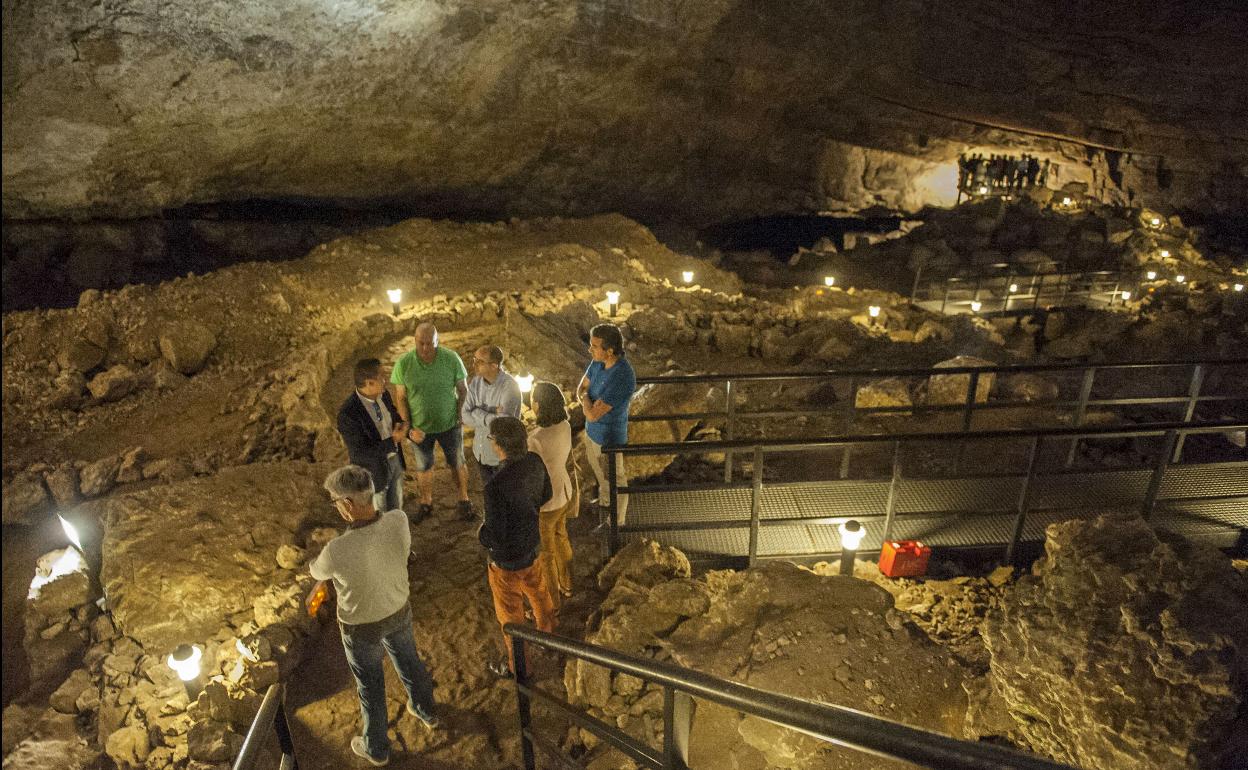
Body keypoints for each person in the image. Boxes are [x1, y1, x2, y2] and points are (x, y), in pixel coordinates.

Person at [307, 465, 439, 767]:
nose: (337, 507)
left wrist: (327, 549)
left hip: (360, 624)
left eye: (336, 501)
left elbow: (317, 571)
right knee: (408, 658)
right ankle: (426, 709)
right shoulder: (399, 520)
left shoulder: (337, 549)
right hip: (397, 608)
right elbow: (391, 550)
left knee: (370, 684)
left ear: (348, 504)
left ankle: (377, 747)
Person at [478, 416, 554, 678]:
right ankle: (548, 638)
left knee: (511, 616)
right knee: (539, 594)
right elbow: (547, 495)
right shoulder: (534, 462)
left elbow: (496, 535)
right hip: (532, 546)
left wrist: (482, 535)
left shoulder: (494, 486)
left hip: (507, 561)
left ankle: (519, 668)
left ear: (498, 445)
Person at [391, 322, 471, 521]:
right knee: (423, 466)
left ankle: (464, 498)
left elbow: (463, 390)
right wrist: (407, 424)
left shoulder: (451, 359)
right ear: (415, 341)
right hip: (420, 428)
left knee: (457, 462)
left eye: (430, 343)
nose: (425, 348)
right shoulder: (404, 364)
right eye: (421, 344)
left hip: (449, 425)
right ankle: (426, 502)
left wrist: (460, 415)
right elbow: (400, 397)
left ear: (437, 341)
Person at [576, 322, 636, 530]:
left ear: (609, 351)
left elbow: (592, 414)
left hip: (610, 437)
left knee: (615, 478)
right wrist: (587, 399)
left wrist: (586, 400)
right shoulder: (597, 363)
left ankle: (616, 522)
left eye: (594, 346)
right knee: (600, 474)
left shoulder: (622, 376)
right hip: (592, 433)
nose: (589, 349)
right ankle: (604, 503)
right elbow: (581, 388)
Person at [527, 381, 578, 608]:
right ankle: (568, 583)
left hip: (546, 501)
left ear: (538, 405)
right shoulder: (565, 426)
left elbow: (531, 472)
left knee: (545, 555)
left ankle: (552, 605)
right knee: (562, 536)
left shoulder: (535, 439)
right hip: (564, 492)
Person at [337, 359, 407, 514]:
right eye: (381, 377)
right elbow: (360, 453)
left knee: (396, 509)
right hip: (374, 472)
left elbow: (393, 414)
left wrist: (402, 425)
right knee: (379, 515)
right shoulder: (348, 415)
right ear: (369, 383)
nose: (385, 380)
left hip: (394, 461)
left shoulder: (383, 395)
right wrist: (393, 440)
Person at [461, 345, 522, 490]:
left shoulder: (510, 387)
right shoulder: (476, 383)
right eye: (474, 360)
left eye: (479, 362)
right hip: (481, 453)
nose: (474, 364)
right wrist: (491, 415)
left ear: (494, 365)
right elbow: (464, 415)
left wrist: (477, 412)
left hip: (501, 458)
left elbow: (502, 425)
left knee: (505, 499)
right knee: (490, 496)